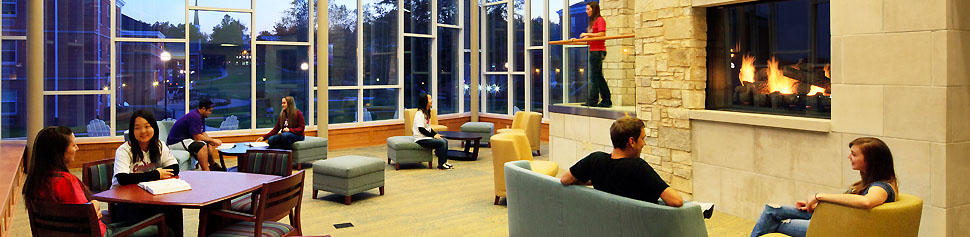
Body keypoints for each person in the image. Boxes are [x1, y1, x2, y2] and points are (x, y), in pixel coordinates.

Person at [22, 126, 159, 236]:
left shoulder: (34, 181)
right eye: (73, 145)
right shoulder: (66, 182)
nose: (77, 148)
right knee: (160, 227)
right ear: (60, 152)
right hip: (97, 233)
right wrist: (94, 204)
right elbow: (87, 217)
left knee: (133, 220)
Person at [750, 137, 898, 237]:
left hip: (838, 228)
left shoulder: (881, 187)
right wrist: (819, 206)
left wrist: (819, 196)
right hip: (833, 217)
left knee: (775, 222)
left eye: (853, 154)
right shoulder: (869, 182)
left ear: (871, 160)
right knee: (772, 210)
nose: (849, 157)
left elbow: (867, 202)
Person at [560, 116, 683, 207]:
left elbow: (565, 179)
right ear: (632, 142)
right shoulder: (638, 167)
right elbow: (676, 201)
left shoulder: (595, 160)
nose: (644, 144)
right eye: (642, 139)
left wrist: (594, 179)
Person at [111, 110, 182, 232]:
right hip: (125, 201)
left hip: (149, 197)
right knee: (165, 213)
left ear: (154, 128)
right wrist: (156, 174)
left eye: (147, 126)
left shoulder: (159, 145)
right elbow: (123, 178)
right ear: (132, 131)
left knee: (174, 208)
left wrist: (150, 176)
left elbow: (174, 168)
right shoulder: (124, 150)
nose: (143, 131)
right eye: (137, 128)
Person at [166, 99, 224, 171]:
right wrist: (213, 140)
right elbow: (197, 137)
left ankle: (213, 165)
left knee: (208, 143)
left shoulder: (201, 117)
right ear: (203, 109)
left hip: (186, 140)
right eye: (209, 111)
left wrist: (211, 141)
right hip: (175, 142)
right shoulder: (195, 116)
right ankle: (206, 170)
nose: (210, 113)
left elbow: (202, 133)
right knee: (201, 146)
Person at [581, 1, 610, 108]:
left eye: (588, 9)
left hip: (598, 51)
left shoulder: (600, 20)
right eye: (586, 9)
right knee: (598, 77)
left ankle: (593, 101)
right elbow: (591, 38)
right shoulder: (593, 22)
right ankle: (606, 100)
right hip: (594, 50)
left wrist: (588, 34)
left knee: (594, 77)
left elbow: (602, 34)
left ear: (594, 9)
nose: (586, 11)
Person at [413, 93, 454, 170]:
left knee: (444, 140)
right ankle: (441, 165)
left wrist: (436, 134)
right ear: (425, 101)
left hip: (426, 137)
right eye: (430, 99)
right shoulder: (419, 114)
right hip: (420, 139)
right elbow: (421, 129)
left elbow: (428, 128)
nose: (431, 101)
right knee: (441, 142)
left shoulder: (427, 112)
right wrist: (433, 136)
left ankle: (444, 162)